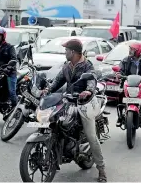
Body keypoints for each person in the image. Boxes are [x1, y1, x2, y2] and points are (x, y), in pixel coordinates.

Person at [42, 39, 107, 182]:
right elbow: (58, 81)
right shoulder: (67, 66)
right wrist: (47, 90)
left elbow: (92, 80)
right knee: (53, 122)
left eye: (66, 50)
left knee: (91, 137)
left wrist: (88, 91)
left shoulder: (87, 66)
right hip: (69, 100)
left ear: (73, 52)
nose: (64, 52)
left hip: (86, 102)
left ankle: (101, 169)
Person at [0, 25, 18, 117]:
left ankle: (15, 112)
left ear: (3, 36)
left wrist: (8, 68)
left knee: (11, 92)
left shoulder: (10, 47)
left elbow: (14, 59)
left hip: (9, 73)